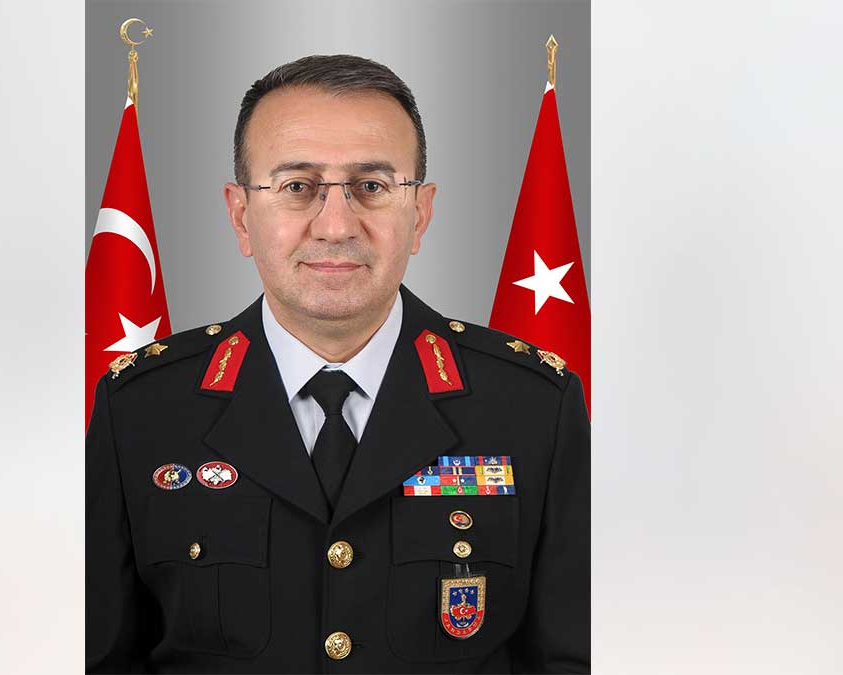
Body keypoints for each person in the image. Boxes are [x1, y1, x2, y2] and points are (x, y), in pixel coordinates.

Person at [86, 54, 589, 673]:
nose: (334, 225)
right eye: (297, 187)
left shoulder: (534, 406)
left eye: (371, 187)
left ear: (420, 213)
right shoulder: (141, 409)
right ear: (241, 216)